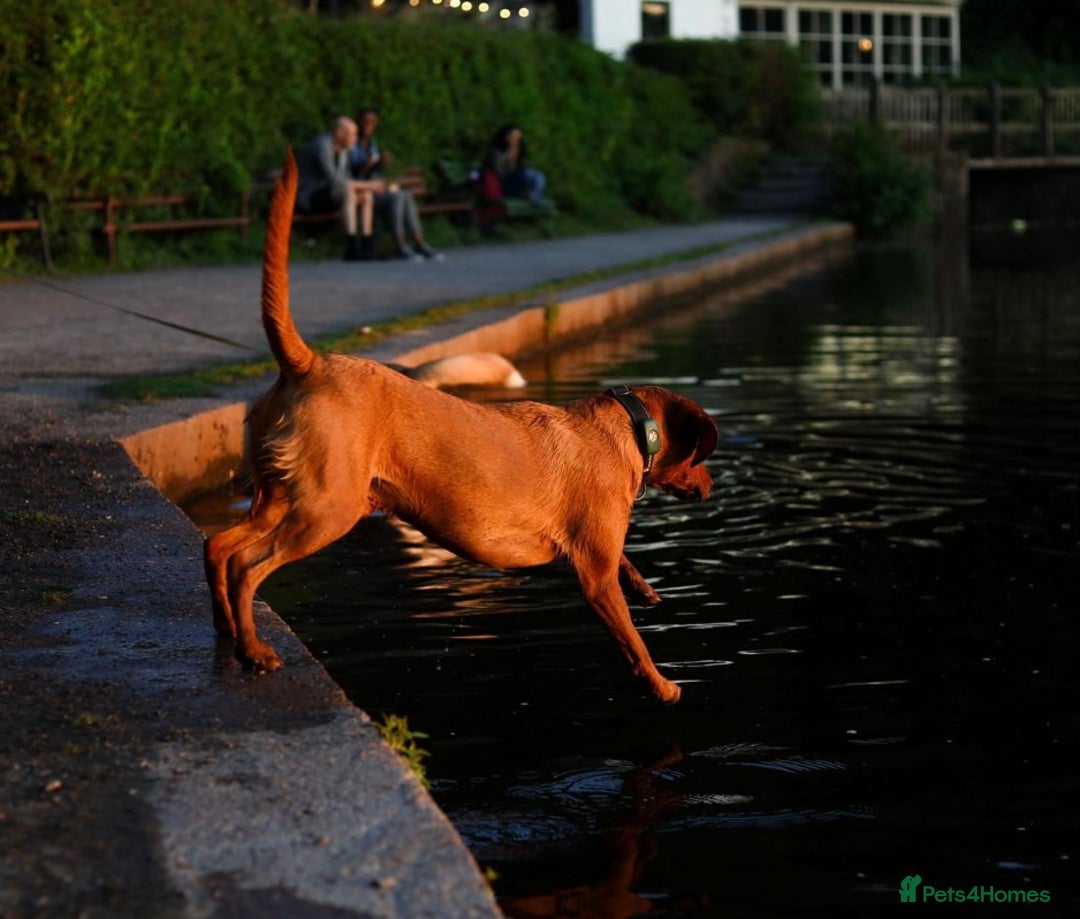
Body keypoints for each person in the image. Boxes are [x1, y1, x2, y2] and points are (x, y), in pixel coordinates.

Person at [349, 106, 442, 261]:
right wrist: (369, 165)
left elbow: (373, 172)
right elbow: (351, 173)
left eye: (372, 123)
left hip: (374, 186)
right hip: (362, 191)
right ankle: (400, 244)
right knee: (397, 198)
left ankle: (419, 242)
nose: (368, 126)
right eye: (365, 122)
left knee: (404, 194)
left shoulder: (372, 143)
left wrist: (380, 164)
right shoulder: (351, 143)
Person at [296, 116, 384, 261]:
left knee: (366, 195)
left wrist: (367, 187)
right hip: (310, 196)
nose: (355, 139)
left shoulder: (343, 150)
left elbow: (346, 178)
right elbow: (336, 180)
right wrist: (370, 185)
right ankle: (351, 246)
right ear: (339, 133)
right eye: (352, 134)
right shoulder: (322, 145)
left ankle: (367, 244)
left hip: (332, 193)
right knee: (349, 192)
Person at [482, 123, 547, 202]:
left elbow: (517, 169)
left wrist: (517, 161)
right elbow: (500, 174)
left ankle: (534, 197)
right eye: (513, 137)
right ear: (505, 136)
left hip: (515, 181)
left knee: (539, 176)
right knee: (526, 174)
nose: (515, 141)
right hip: (503, 185)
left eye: (517, 139)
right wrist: (510, 162)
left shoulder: (515, 150)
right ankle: (532, 198)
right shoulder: (495, 152)